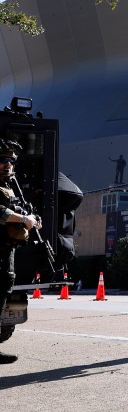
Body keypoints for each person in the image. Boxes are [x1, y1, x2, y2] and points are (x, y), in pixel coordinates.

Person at [0, 140, 43, 364]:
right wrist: (23, 219)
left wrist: (34, 219)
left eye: (10, 161)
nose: (6, 165)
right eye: (2, 161)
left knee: (2, 296)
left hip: (6, 250)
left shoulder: (12, 187)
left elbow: (26, 210)